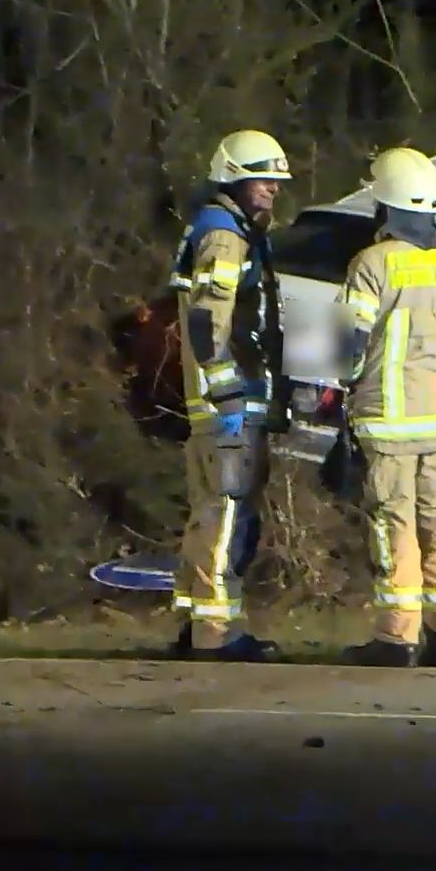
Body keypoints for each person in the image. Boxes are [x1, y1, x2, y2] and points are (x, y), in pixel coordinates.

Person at [335, 147, 436, 668]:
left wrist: (346, 384)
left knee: (392, 524)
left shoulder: (372, 263)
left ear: (384, 203)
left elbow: (349, 345)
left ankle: (395, 638)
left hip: (386, 421)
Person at [169, 129, 293, 662]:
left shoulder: (224, 227)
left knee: (209, 510)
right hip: (230, 402)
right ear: (234, 180)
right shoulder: (225, 237)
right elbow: (208, 316)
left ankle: (195, 623)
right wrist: (226, 386)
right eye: (261, 180)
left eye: (274, 181)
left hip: (225, 398)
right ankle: (216, 633)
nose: (271, 189)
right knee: (226, 509)